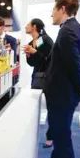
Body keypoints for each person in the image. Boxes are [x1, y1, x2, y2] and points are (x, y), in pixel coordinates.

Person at [38, 0, 80, 158]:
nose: (51, 14)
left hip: (62, 95)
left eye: (53, 10)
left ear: (62, 9)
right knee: (60, 130)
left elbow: (75, 66)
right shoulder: (78, 30)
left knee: (62, 136)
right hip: (65, 94)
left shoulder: (67, 32)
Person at [23, 18, 54, 148]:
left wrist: (35, 52)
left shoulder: (45, 40)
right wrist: (29, 55)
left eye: (28, 24)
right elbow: (32, 63)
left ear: (34, 27)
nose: (26, 26)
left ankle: (50, 137)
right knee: (33, 106)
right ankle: (31, 134)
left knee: (52, 109)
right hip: (37, 77)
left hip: (49, 78)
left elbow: (49, 59)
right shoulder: (31, 42)